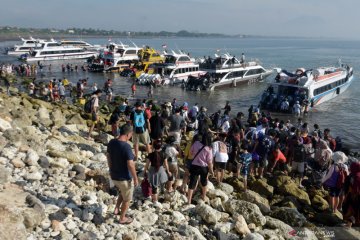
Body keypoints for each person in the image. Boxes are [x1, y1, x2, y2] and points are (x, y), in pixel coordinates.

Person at [107, 124, 138, 224]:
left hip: (114, 176)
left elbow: (108, 156)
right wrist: (135, 178)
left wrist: (111, 169)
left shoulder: (112, 142)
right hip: (124, 178)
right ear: (129, 134)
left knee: (122, 191)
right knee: (127, 199)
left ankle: (116, 209)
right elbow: (130, 164)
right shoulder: (126, 146)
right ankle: (122, 218)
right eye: (131, 134)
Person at [187, 133, 214, 204]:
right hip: (203, 167)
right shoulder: (209, 148)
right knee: (204, 182)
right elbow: (209, 162)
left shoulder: (196, 143)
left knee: (192, 183)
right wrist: (211, 170)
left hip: (194, 165)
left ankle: (189, 201)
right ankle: (203, 196)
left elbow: (190, 153)